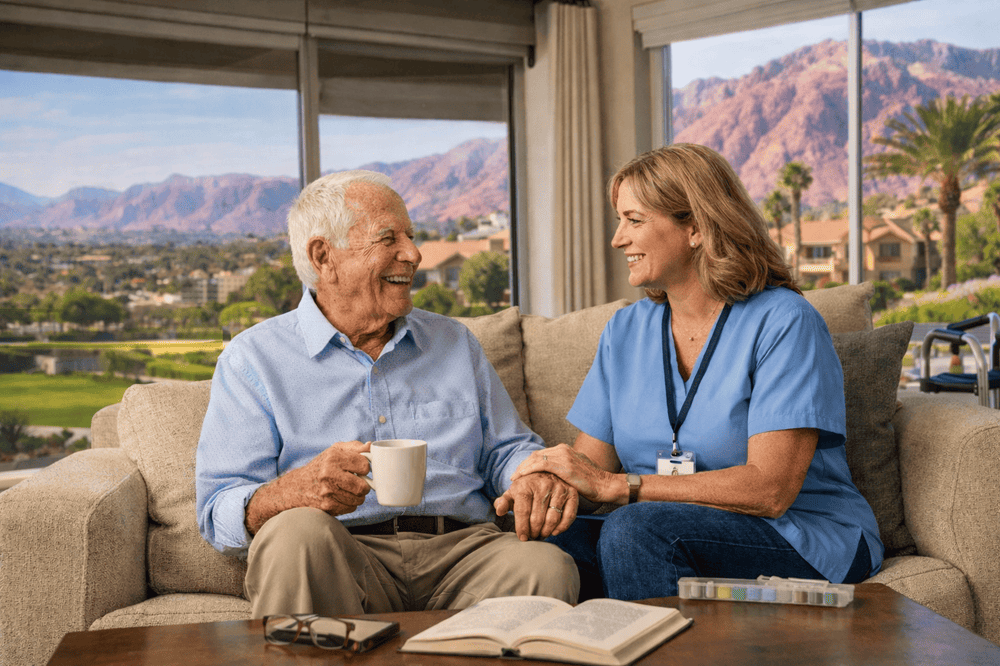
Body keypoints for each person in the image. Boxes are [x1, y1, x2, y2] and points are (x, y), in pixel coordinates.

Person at [502, 144, 883, 601]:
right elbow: (593, 473)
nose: (618, 238)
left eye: (634, 220)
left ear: (696, 228)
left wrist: (620, 487)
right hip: (657, 525)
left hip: (800, 535)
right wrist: (547, 486)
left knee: (633, 530)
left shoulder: (784, 320)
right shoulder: (625, 331)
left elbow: (771, 489)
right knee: (543, 542)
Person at [196, 170, 579, 619]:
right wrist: (288, 493)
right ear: (324, 256)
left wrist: (529, 475)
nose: (413, 254)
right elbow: (217, 510)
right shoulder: (254, 358)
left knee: (547, 566)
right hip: (340, 551)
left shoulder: (454, 342)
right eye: (388, 238)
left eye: (411, 236)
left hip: (464, 551)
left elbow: (506, 449)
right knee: (295, 534)